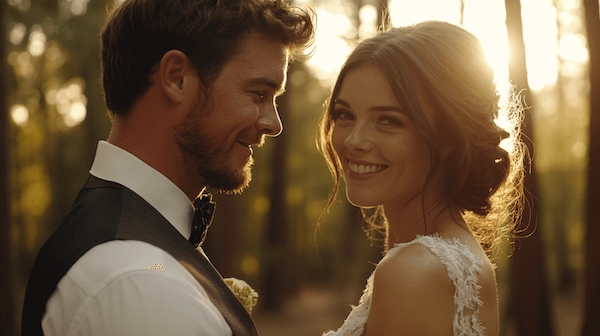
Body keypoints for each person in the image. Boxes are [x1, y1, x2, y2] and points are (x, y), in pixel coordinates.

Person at [21, 0, 314, 335]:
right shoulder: (141, 283)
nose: (273, 124)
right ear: (176, 78)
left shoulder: (143, 250)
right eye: (259, 93)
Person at [319, 21, 524, 336]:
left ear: (449, 136)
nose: (353, 140)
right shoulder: (456, 260)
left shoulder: (413, 271)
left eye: (388, 121)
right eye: (345, 115)